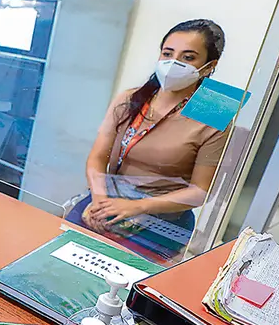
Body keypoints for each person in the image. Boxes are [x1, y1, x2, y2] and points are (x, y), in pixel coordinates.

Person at [65, 19, 230, 261]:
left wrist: (137, 207)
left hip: (163, 215)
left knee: (116, 276)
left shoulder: (214, 112)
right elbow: (97, 157)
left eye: (188, 57)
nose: (174, 63)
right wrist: (100, 200)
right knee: (62, 255)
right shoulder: (132, 98)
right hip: (109, 200)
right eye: (167, 53)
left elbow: (200, 192)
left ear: (208, 66)